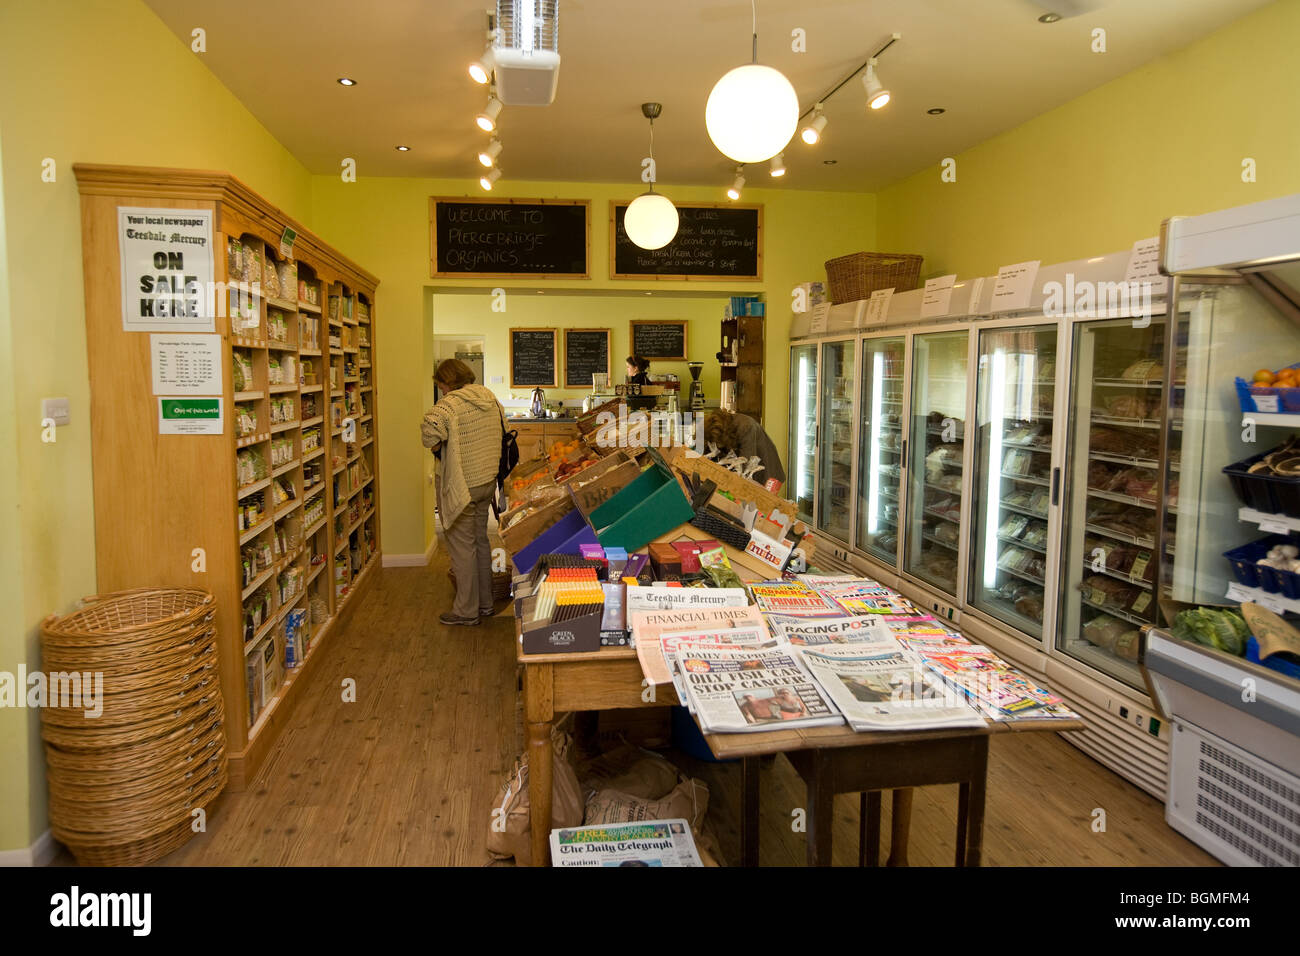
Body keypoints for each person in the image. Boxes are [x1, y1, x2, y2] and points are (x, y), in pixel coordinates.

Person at [421, 358, 505, 626]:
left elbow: (428, 433)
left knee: (461, 548)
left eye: (442, 384)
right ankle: (485, 604)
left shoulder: (449, 404)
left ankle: (466, 611)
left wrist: (438, 449)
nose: (442, 390)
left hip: (462, 485)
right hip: (486, 482)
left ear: (449, 381)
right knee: (480, 542)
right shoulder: (489, 397)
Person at [703, 409, 787, 487]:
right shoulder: (714, 429)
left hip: (767, 473)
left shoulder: (746, 427)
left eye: (719, 444)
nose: (717, 447)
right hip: (750, 470)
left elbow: (746, 467)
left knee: (763, 499)